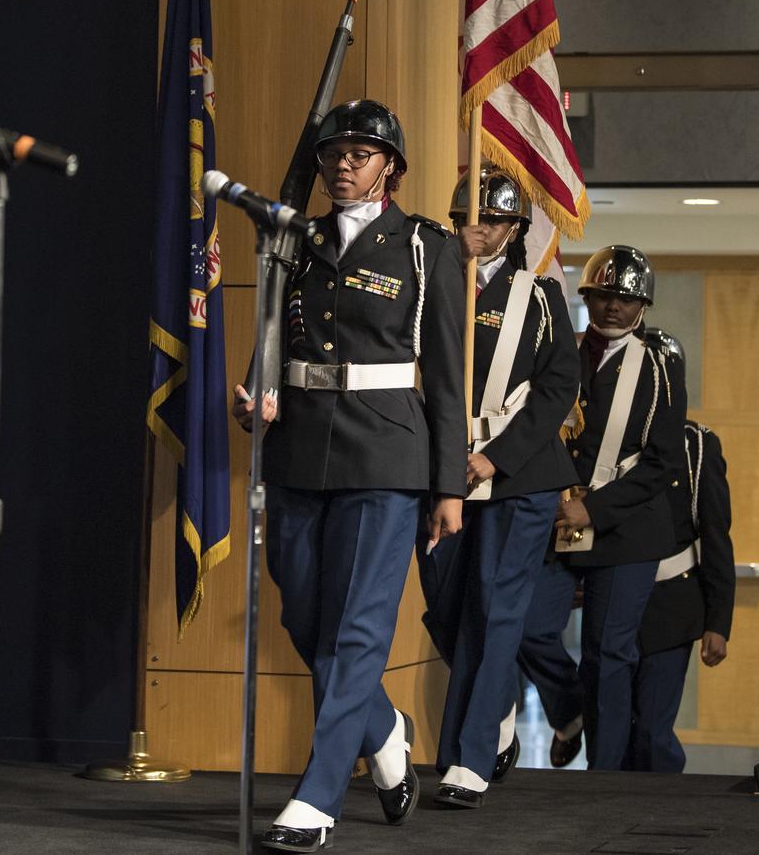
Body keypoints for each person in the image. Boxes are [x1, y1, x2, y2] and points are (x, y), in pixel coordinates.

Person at [232, 100, 467, 853]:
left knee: (359, 632)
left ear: (391, 167)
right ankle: (385, 727)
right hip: (300, 445)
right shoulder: (294, 243)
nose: (344, 164)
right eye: (335, 153)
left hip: (386, 453)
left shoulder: (427, 248)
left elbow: (448, 378)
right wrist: (254, 394)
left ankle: (317, 797)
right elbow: (273, 333)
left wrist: (450, 485)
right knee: (307, 619)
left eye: (362, 153)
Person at [414, 167, 579, 808]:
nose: (475, 229)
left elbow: (558, 385)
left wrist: (496, 458)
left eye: (489, 219)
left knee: (496, 606)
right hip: (439, 471)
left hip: (519, 475)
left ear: (514, 229)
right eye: (464, 218)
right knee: (449, 606)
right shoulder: (429, 286)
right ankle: (499, 702)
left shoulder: (539, 298)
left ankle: (468, 756)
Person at [516, 245, 687, 771]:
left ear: (642, 306)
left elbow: (661, 462)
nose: (612, 307)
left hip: (627, 529)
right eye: (602, 295)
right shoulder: (560, 350)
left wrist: (596, 509)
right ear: (586, 297)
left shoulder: (660, 364)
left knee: (607, 655)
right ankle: (569, 712)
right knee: (524, 625)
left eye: (624, 298)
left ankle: (604, 777)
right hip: (554, 519)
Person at [627, 328, 735, 773]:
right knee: (614, 731)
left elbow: (716, 536)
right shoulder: (605, 441)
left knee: (652, 730)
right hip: (613, 600)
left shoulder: (698, 446)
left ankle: (662, 815)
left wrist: (718, 622)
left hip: (672, 603)